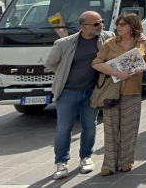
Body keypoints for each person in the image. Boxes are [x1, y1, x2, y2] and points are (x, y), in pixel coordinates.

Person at [46, 11, 115, 179]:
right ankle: (61, 162)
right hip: (68, 91)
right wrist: (65, 74)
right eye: (96, 24)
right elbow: (50, 64)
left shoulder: (107, 37)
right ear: (83, 27)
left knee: (90, 125)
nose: (101, 26)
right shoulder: (64, 43)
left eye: (102, 22)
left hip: (93, 91)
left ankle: (86, 158)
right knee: (64, 128)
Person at [92, 12, 146, 176]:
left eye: (123, 24)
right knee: (110, 128)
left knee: (129, 127)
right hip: (112, 90)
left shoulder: (142, 42)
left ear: (132, 26)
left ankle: (126, 161)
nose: (118, 27)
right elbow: (96, 63)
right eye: (118, 24)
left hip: (132, 90)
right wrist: (117, 73)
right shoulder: (110, 43)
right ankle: (109, 164)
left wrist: (143, 68)